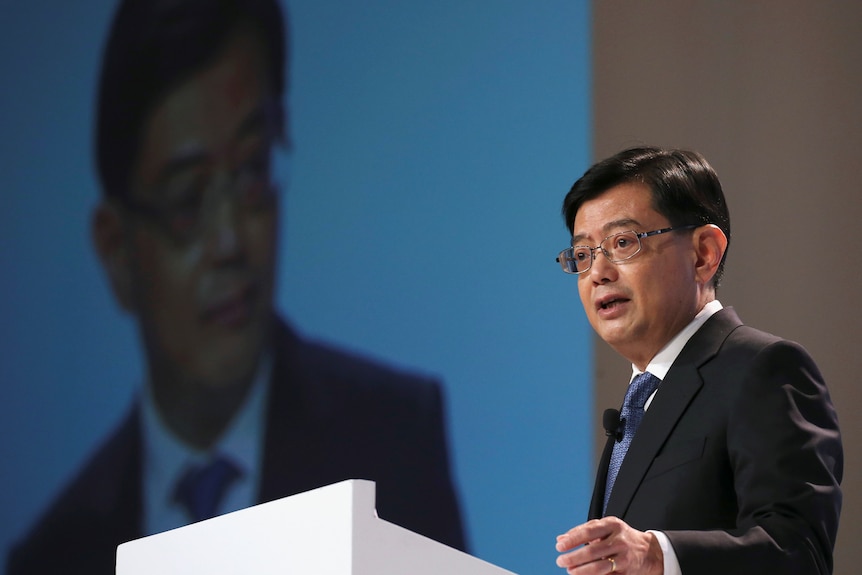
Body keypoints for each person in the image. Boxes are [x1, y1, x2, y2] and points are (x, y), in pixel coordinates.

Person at [7, 1, 465, 573]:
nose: (230, 240)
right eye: (187, 200)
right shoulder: (55, 554)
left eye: (251, 170)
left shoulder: (394, 438)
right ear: (117, 250)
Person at [552, 147, 842, 575]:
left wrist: (658, 555)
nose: (598, 272)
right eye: (583, 254)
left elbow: (800, 552)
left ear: (704, 253)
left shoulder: (763, 368)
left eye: (622, 243)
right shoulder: (641, 400)